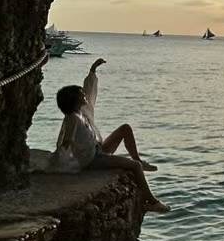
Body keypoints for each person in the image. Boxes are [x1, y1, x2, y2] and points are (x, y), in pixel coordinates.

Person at [53, 58, 170, 214]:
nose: (84, 94)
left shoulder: (81, 112)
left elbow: (89, 90)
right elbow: (66, 141)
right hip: (92, 159)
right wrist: (61, 161)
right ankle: (152, 202)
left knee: (125, 129)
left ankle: (138, 159)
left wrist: (93, 69)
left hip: (98, 149)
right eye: (80, 93)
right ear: (74, 100)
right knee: (135, 167)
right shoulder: (72, 118)